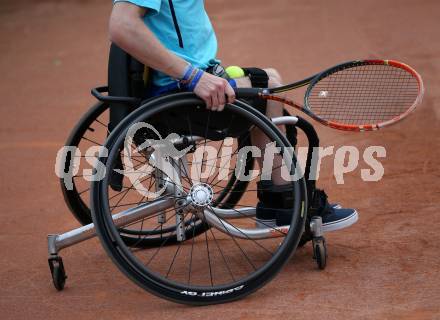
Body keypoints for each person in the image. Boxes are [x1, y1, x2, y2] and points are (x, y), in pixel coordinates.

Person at [109, 0, 358, 231]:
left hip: (184, 85)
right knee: (266, 86)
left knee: (266, 79)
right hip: (180, 96)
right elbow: (122, 25)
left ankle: (278, 202)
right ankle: (285, 203)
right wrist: (194, 77)